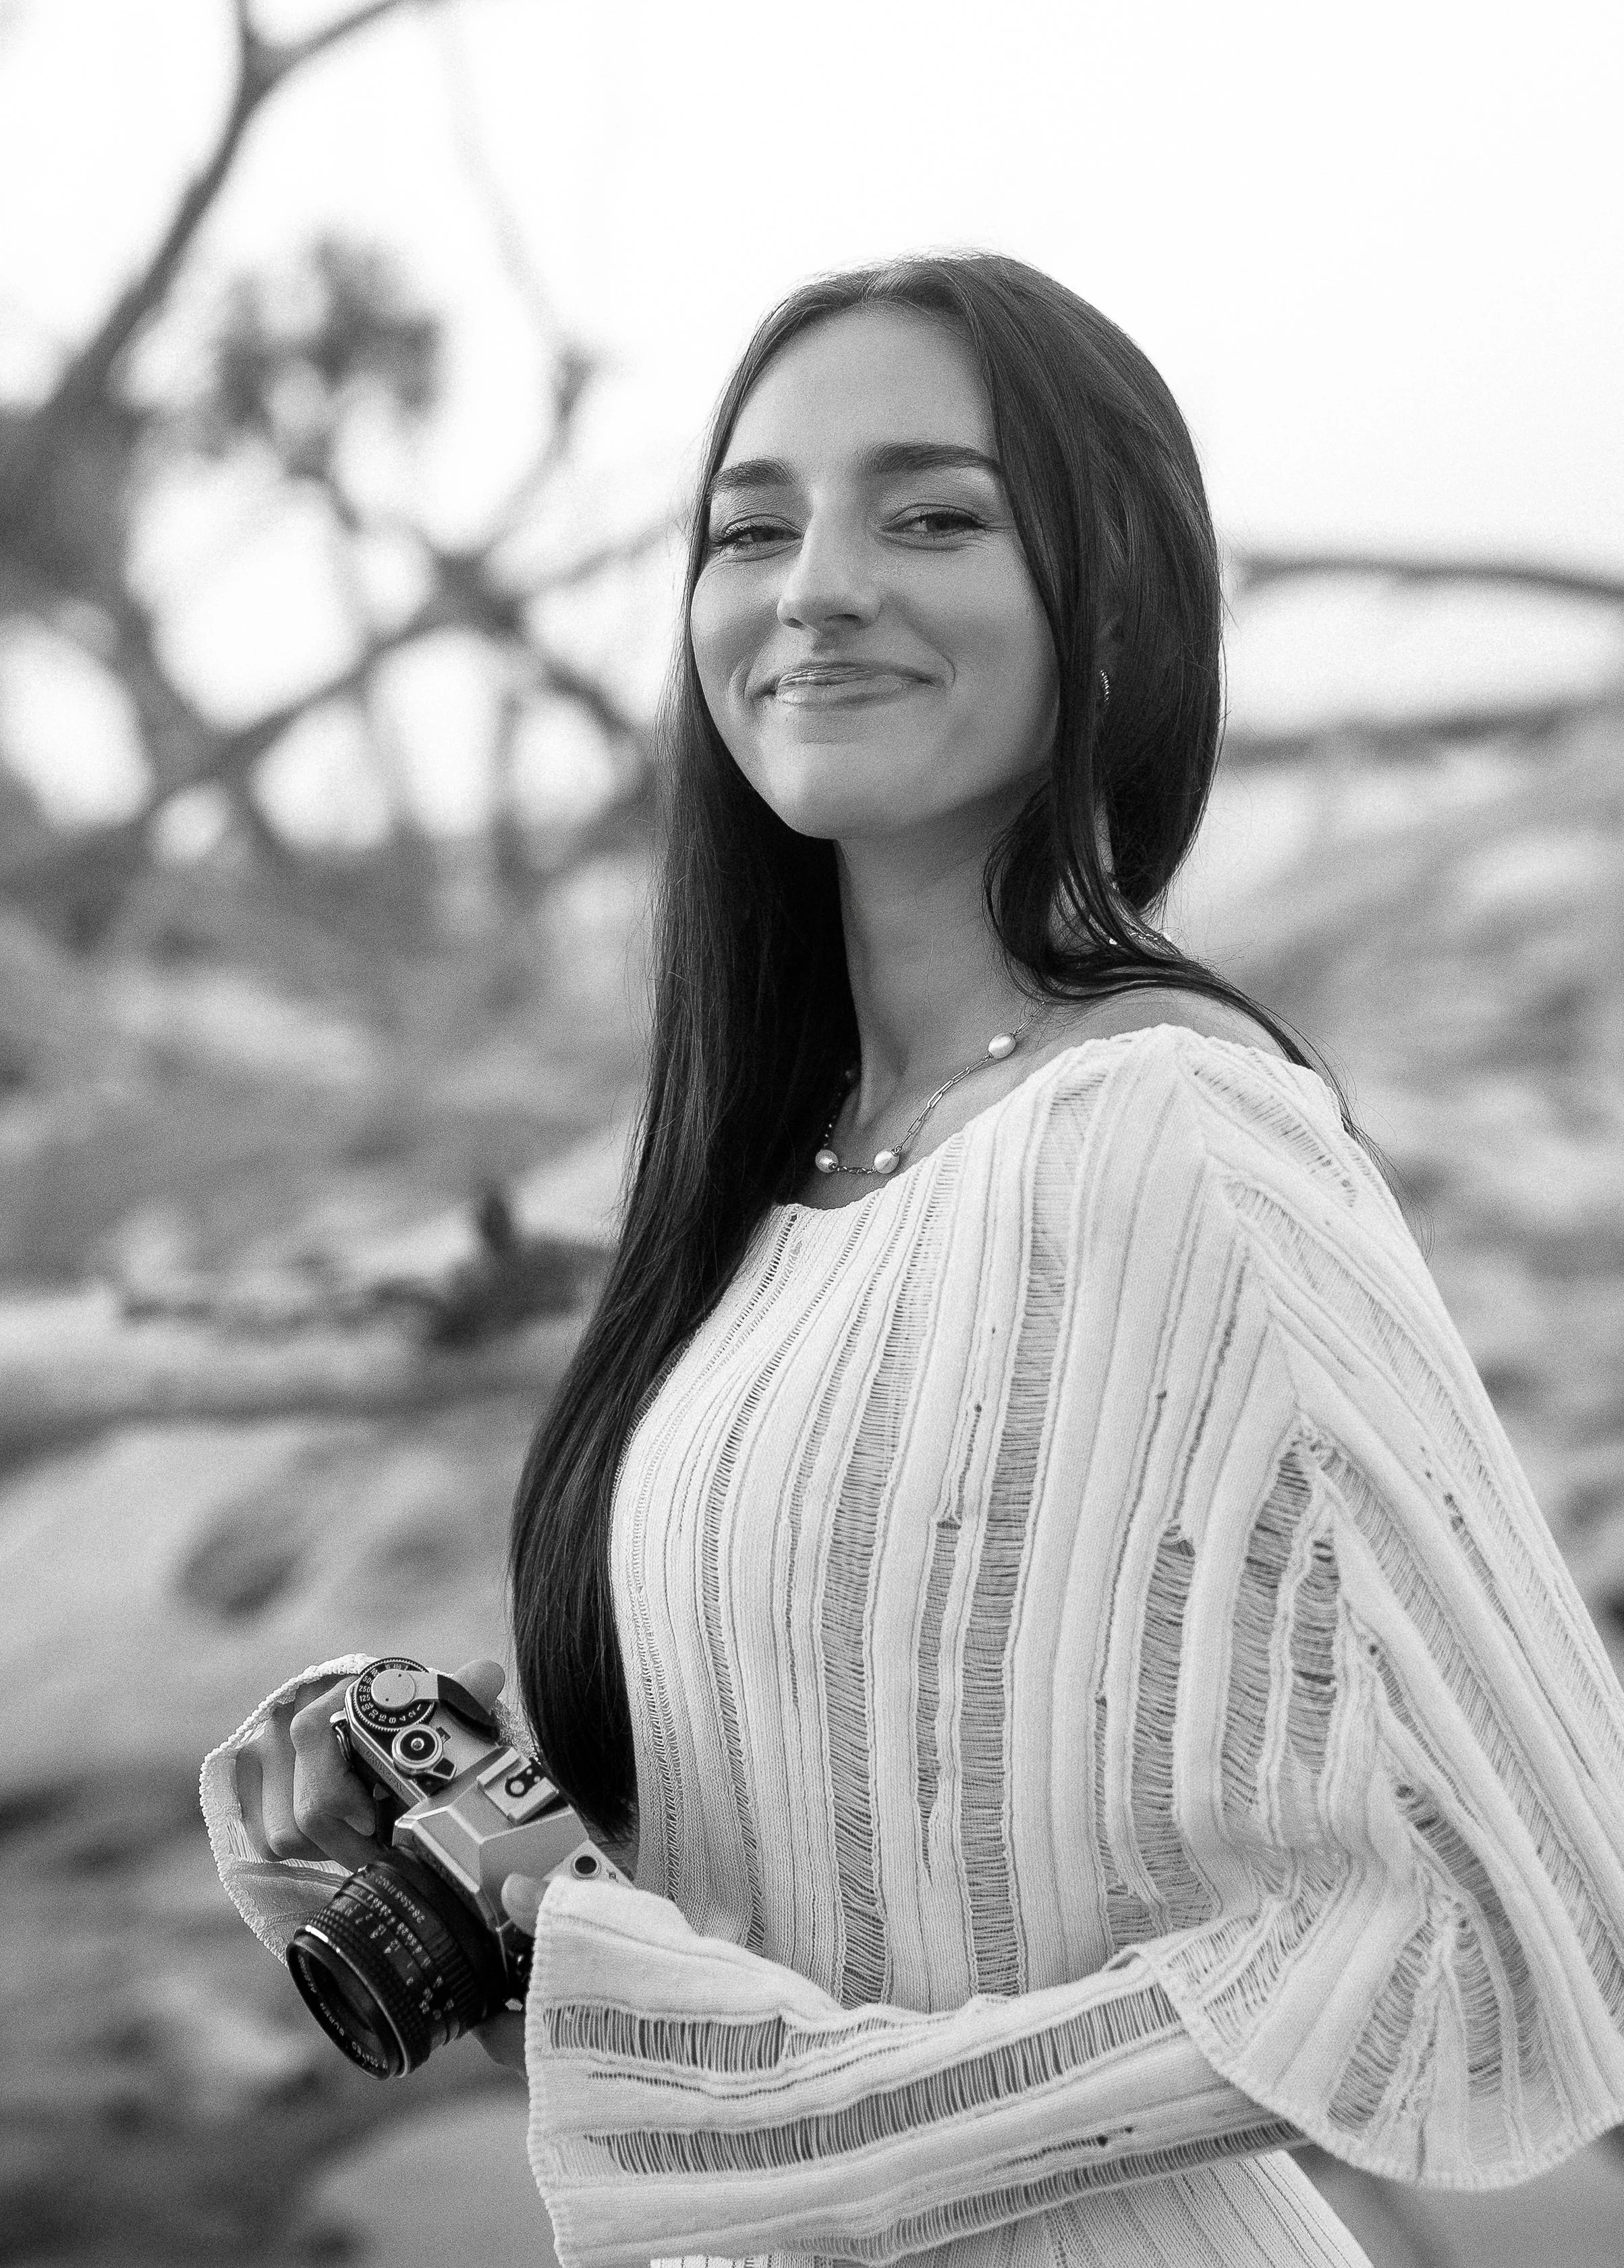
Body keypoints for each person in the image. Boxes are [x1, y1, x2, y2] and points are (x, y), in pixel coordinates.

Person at [202, 255, 1624, 2268]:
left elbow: (1531, 1904)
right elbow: (840, 1909)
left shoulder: (1169, 1134)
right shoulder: (772, 1190)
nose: (815, 584)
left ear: (1110, 603)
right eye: (750, 525)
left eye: (932, 514)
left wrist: (817, 2142)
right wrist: (493, 1896)